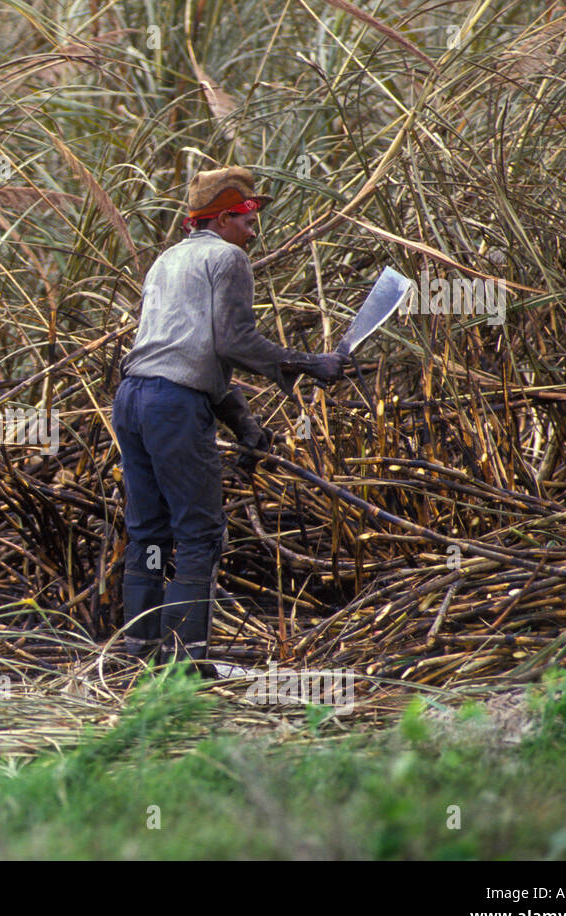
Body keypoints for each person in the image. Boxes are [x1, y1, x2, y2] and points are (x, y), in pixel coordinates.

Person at [114, 165, 347, 672]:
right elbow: (234, 343)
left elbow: (193, 354)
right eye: (246, 216)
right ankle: (183, 664)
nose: (253, 229)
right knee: (199, 536)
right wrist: (313, 363)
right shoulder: (229, 259)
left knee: (149, 535)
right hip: (171, 405)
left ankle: (140, 654)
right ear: (220, 220)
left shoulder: (165, 262)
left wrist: (245, 426)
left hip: (131, 399)